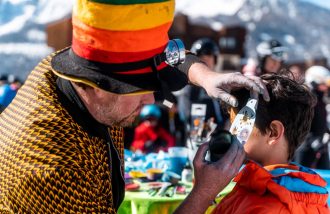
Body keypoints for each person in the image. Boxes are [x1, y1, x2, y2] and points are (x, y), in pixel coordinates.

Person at [0, 0, 270, 213]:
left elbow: (166, 55)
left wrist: (207, 77)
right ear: (97, 84)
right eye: (140, 89)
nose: (152, 100)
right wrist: (203, 194)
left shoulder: (74, 64)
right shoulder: (53, 174)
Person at [212, 72, 329, 213]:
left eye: (238, 125)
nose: (231, 133)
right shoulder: (305, 191)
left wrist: (202, 192)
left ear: (273, 132)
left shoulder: (263, 205)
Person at [295, 65, 330, 169]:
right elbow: (299, 125)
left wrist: (327, 132)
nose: (326, 87)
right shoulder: (306, 100)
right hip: (305, 147)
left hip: (320, 145)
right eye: (323, 83)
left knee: (325, 177)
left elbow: (321, 121)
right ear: (315, 82)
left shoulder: (321, 99)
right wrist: (311, 141)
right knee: (301, 175)